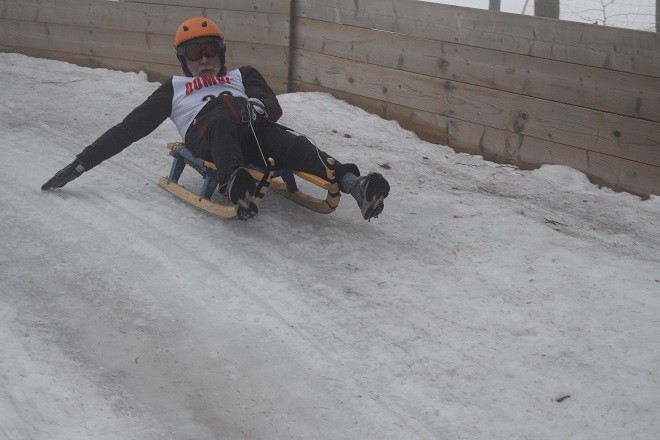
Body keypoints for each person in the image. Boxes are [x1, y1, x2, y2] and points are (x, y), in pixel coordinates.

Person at [41, 17, 389, 221]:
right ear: (184, 60)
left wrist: (254, 109)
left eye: (210, 50)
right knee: (221, 113)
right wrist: (81, 162)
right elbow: (128, 129)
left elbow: (271, 103)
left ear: (220, 52)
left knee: (291, 140)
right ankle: (233, 182)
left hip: (252, 130)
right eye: (195, 53)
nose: (204, 58)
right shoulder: (174, 89)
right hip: (208, 135)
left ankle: (353, 184)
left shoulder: (243, 75)